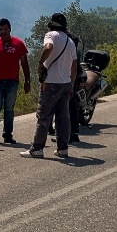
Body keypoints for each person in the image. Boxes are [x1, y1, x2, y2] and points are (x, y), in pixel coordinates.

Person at [21, 12, 77, 159]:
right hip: (65, 83)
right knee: (63, 117)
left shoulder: (51, 35)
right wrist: (71, 84)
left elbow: (48, 48)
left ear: (52, 24)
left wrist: (40, 63)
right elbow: (74, 65)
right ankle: (62, 148)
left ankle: (37, 148)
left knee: (44, 116)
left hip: (51, 83)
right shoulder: (70, 41)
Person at [0, 18, 31, 144]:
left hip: (12, 82)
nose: (3, 32)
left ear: (10, 29)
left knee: (9, 110)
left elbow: (25, 64)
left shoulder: (18, 44)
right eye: (0, 29)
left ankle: (8, 135)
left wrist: (27, 81)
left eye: (5, 29)